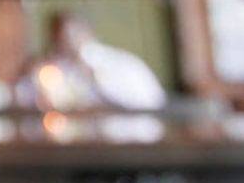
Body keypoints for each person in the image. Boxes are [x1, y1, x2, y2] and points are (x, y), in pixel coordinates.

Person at [14, 11, 166, 113]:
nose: (66, 43)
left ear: (88, 33)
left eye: (72, 36)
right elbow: (22, 100)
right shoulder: (49, 68)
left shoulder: (123, 65)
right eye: (59, 39)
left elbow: (151, 104)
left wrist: (95, 78)